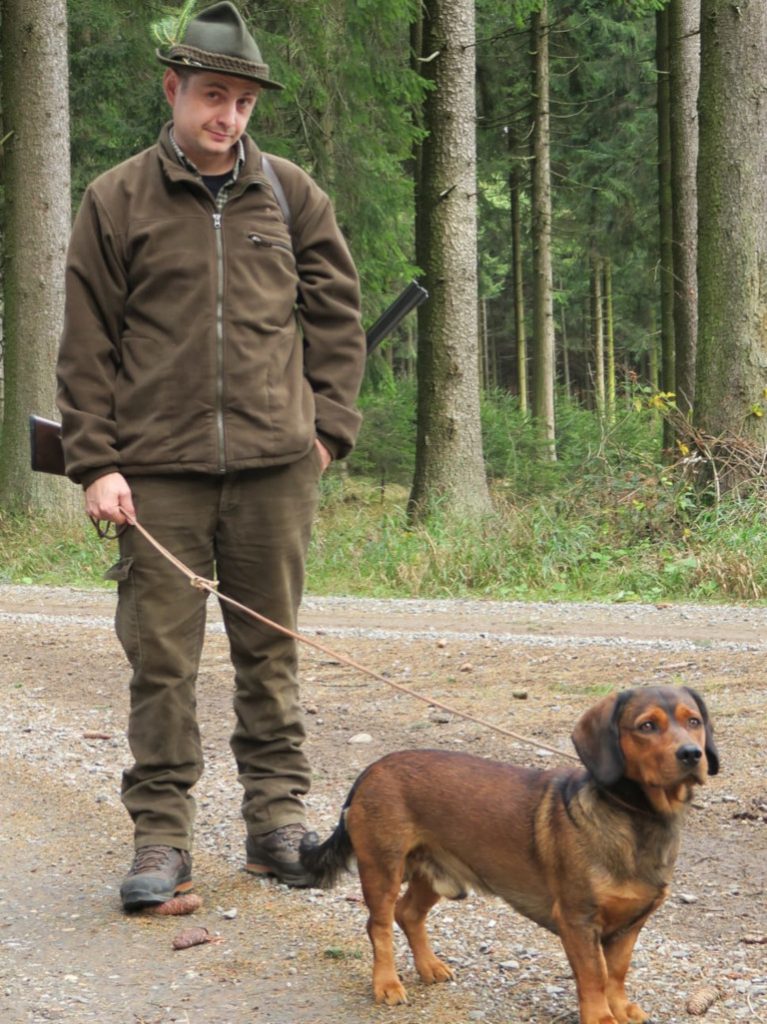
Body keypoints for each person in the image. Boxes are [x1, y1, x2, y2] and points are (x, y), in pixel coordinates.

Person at [56, 1, 366, 910]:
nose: (226, 116)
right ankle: (160, 841)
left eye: (240, 101)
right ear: (174, 89)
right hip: (155, 476)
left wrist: (325, 431)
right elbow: (85, 346)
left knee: (269, 652)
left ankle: (276, 827)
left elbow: (337, 319)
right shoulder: (115, 198)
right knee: (162, 662)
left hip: (276, 469)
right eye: (211, 96)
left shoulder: (293, 194)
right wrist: (97, 463)